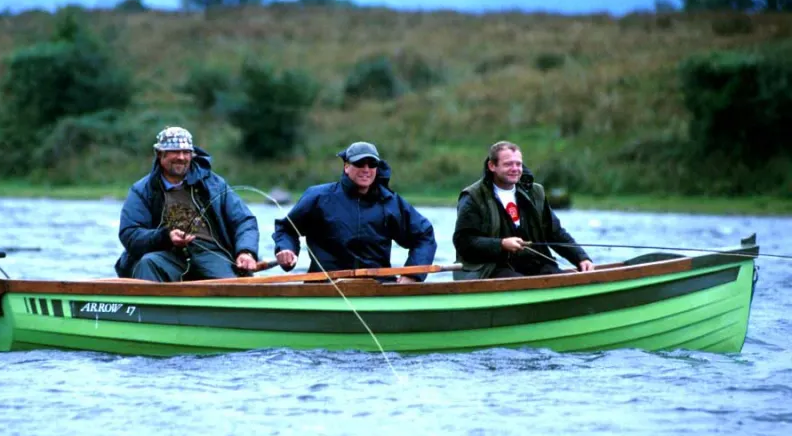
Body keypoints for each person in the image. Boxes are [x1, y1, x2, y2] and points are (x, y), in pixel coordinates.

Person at [272, 141, 437, 282]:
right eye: (359, 163)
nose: (366, 169)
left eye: (372, 164)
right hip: (324, 286)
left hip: (379, 288)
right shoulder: (318, 197)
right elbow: (286, 229)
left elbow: (424, 235)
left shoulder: (390, 202)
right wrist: (286, 250)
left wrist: (413, 275)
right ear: (346, 166)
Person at [115, 126, 260, 281]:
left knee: (230, 284)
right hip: (166, 254)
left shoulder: (214, 184)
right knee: (147, 263)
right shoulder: (142, 190)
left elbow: (244, 221)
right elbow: (130, 233)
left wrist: (246, 251)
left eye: (186, 152)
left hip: (211, 253)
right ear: (159, 154)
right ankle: (150, 305)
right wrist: (165, 236)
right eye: (175, 152)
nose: (181, 157)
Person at [453, 140, 594, 279]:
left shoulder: (535, 192)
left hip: (534, 264)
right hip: (490, 268)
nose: (515, 169)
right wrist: (501, 244)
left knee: (560, 277)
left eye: (518, 164)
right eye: (508, 164)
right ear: (492, 166)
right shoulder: (473, 197)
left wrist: (581, 258)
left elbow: (555, 232)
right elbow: (463, 242)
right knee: (515, 279)